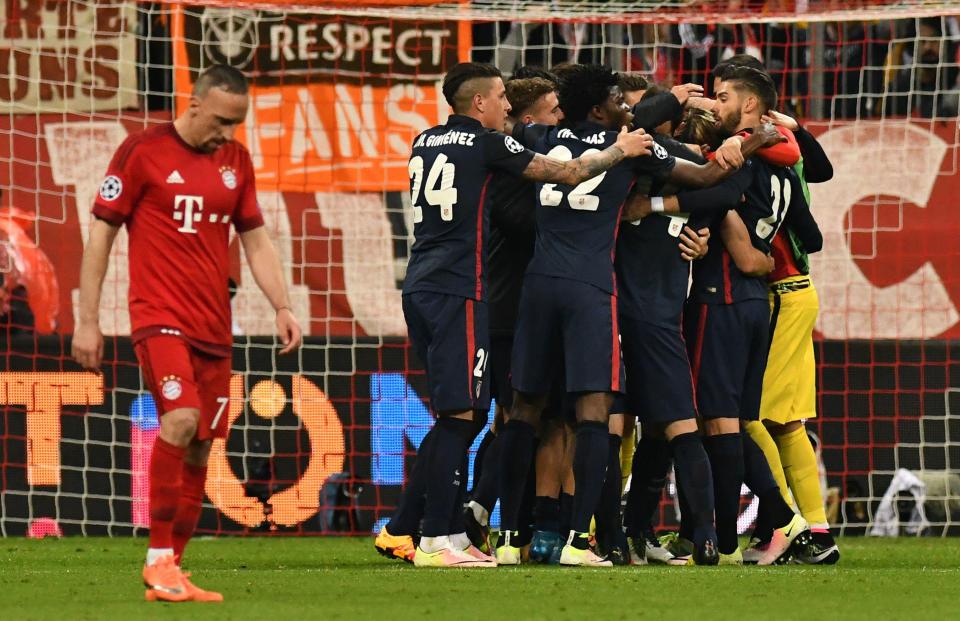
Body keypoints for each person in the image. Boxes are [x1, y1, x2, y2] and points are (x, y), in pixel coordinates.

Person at [374, 61, 654, 569]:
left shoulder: (423, 141)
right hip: (461, 288)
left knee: (469, 413)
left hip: (419, 283)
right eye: (501, 96)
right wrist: (621, 149)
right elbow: (569, 172)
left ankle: (442, 530)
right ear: (478, 103)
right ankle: (436, 535)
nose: (507, 105)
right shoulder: (488, 142)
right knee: (462, 416)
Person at [72, 64, 302, 602]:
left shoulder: (235, 160)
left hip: (214, 325)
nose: (228, 132)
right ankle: (156, 560)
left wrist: (282, 305)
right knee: (180, 419)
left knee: (201, 448)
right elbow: (100, 236)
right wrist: (87, 318)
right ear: (194, 104)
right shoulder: (141, 152)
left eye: (238, 123)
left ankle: (173, 568)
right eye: (222, 120)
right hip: (158, 316)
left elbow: (256, 239)